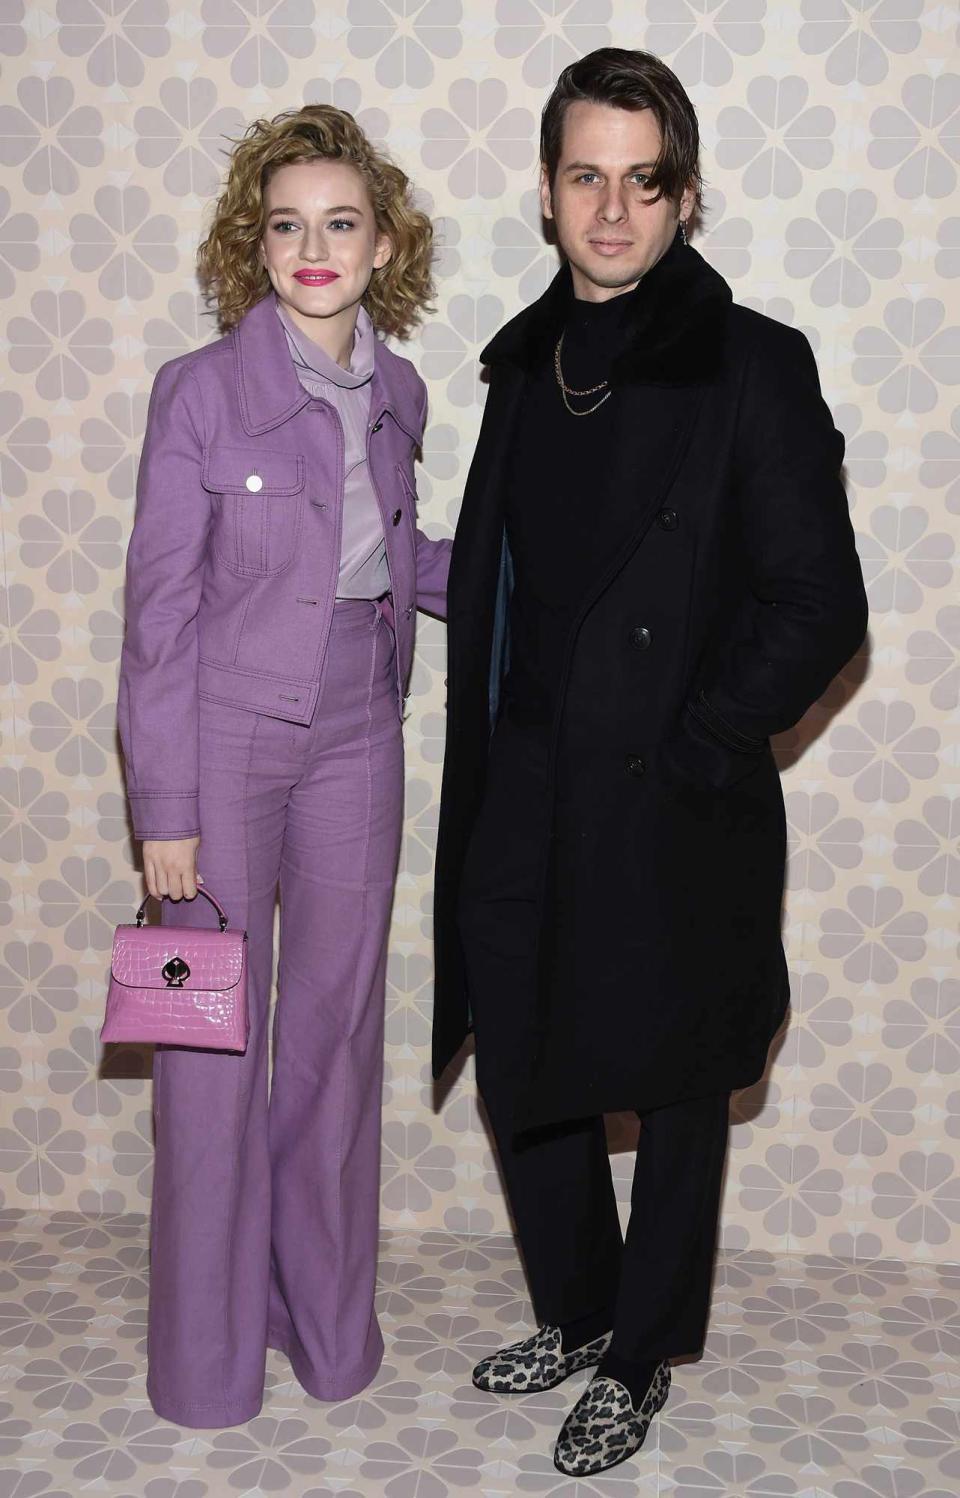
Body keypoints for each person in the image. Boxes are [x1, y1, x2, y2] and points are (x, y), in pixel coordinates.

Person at [431, 47, 868, 1477]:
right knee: (522, 1035)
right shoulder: (515, 362)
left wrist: (702, 737)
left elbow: (821, 605)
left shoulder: (754, 361)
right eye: (584, 177)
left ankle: (641, 1351)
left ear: (685, 193)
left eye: (643, 179)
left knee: (677, 1068)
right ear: (547, 193)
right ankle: (574, 1304)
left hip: (672, 785)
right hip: (528, 768)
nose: (612, 210)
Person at [117, 104, 450, 1428]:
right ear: (255, 247)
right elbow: (159, 613)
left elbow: (406, 564)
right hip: (220, 747)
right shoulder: (199, 395)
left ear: (385, 248)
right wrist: (166, 808)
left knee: (335, 1042)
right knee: (207, 1055)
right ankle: (205, 1364)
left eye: (342, 223)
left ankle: (327, 1336)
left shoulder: (404, 395)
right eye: (287, 225)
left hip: (361, 739)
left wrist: (553, 580)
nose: (314, 246)